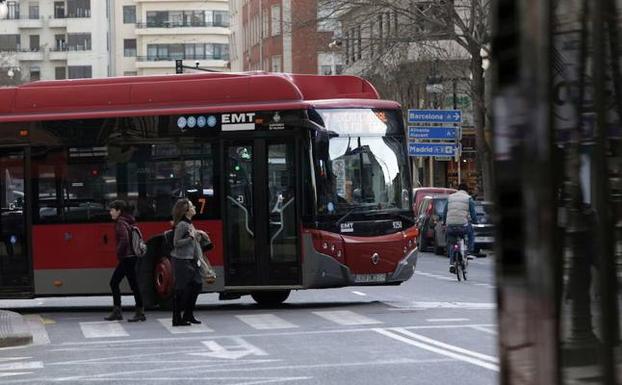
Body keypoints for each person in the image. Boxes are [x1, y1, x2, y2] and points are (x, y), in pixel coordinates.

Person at [170, 198, 209, 326]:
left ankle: (188, 314)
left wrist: (198, 234)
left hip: (191, 260)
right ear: (186, 211)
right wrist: (191, 237)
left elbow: (193, 242)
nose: (194, 208)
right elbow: (176, 243)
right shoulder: (182, 225)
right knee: (181, 289)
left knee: (197, 285)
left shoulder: (189, 224)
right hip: (181, 260)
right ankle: (177, 318)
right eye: (192, 206)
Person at [104, 200, 146, 322]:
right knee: (133, 285)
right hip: (131, 257)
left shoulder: (120, 223)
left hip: (127, 258)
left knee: (115, 282)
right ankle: (139, 311)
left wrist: (119, 252)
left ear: (118, 211)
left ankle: (121, 311)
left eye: (112, 210)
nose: (110, 212)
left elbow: (125, 240)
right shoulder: (128, 220)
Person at [443, 183, 478, 274]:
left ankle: (451, 263)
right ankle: (469, 251)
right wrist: (475, 222)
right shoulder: (468, 198)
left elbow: (444, 212)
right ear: (466, 191)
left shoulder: (450, 198)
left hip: (450, 225)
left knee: (453, 243)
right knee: (470, 233)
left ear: (457, 189)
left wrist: (444, 223)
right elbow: (473, 214)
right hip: (462, 226)